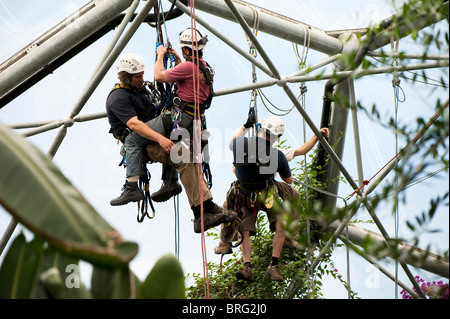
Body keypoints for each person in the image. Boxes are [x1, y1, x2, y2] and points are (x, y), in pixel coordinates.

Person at [222, 113, 329, 282]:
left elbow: (231, 143)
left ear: (261, 130)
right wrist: (318, 135)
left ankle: (246, 265)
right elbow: (291, 176)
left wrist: (245, 126)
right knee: (281, 223)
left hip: (244, 195)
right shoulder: (277, 155)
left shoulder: (239, 144)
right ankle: (274, 263)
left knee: (244, 229)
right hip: (267, 196)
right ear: (276, 137)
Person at [106, 53, 181, 207]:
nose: (142, 79)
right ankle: (138, 186)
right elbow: (134, 125)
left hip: (147, 130)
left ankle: (167, 181)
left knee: (164, 128)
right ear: (126, 78)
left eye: (142, 76)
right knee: (131, 140)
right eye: (137, 77)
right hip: (137, 133)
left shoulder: (141, 90)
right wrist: (159, 138)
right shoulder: (118, 97)